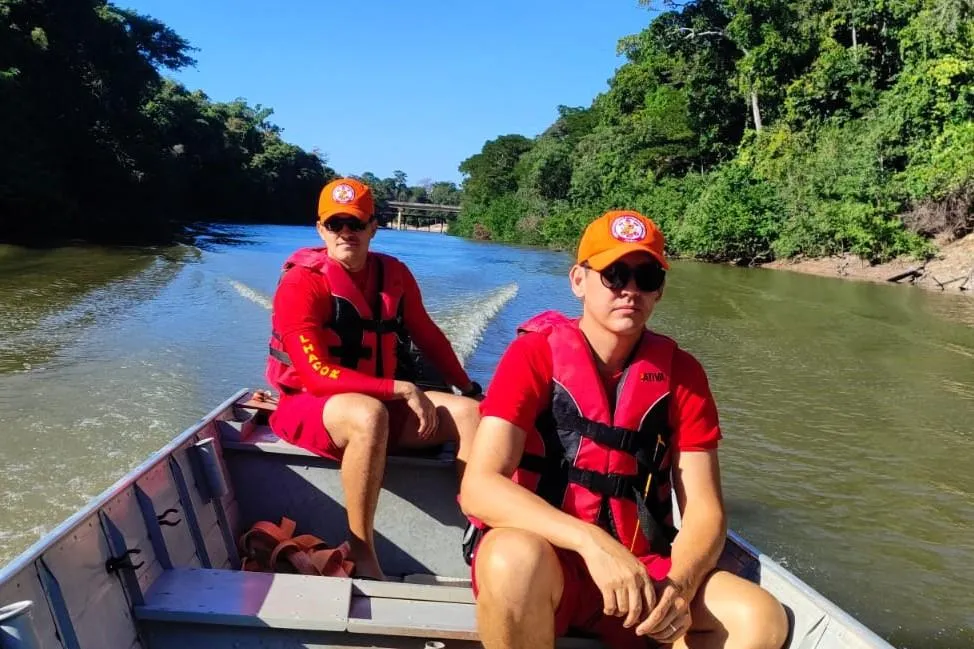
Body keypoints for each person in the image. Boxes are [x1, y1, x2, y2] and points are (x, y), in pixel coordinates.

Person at [459, 210, 789, 649]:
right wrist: (592, 543)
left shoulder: (682, 374)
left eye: (646, 276)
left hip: (644, 572)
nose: (630, 290)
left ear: (659, 291)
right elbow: (480, 487)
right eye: (614, 274)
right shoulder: (532, 356)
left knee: (761, 619)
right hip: (547, 568)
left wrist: (681, 586)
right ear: (578, 280)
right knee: (508, 559)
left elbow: (705, 511)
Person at [266, 177, 483, 580]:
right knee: (369, 414)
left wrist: (468, 387)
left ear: (373, 228)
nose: (346, 232)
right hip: (307, 408)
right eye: (335, 224)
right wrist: (399, 387)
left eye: (356, 223)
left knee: (472, 415)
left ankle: (480, 533)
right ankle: (362, 551)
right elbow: (314, 376)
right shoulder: (302, 283)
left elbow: (428, 336)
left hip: (375, 402)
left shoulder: (394, 274)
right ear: (320, 229)